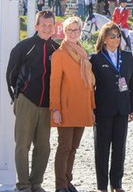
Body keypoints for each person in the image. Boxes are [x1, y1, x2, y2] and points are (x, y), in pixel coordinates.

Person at [6, 10, 59, 192]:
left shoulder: (56, 49)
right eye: (43, 25)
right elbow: (10, 74)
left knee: (43, 147)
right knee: (22, 145)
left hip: (46, 104)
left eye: (50, 25)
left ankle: (36, 183)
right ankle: (23, 185)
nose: (46, 28)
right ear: (36, 26)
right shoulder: (24, 46)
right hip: (26, 101)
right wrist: (17, 96)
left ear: (54, 26)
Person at [90, 22, 133, 192]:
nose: (116, 39)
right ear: (104, 39)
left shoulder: (126, 56)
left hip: (122, 109)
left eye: (118, 36)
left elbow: (132, 83)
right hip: (102, 110)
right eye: (112, 36)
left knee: (119, 148)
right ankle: (102, 186)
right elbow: (90, 87)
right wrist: (90, 109)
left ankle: (116, 184)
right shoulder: (94, 59)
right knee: (102, 149)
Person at [49, 17, 95, 192]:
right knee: (64, 147)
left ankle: (68, 181)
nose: (73, 33)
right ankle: (60, 185)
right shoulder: (59, 55)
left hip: (82, 106)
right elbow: (54, 84)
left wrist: (91, 107)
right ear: (64, 32)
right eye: (70, 30)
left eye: (76, 30)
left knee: (73, 148)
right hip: (66, 108)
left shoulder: (83, 53)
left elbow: (89, 85)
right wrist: (55, 109)